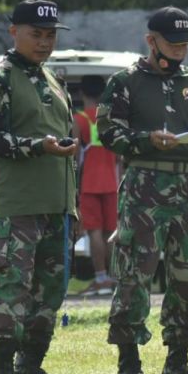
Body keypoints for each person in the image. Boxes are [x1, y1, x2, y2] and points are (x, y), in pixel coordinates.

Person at [97, 5, 188, 374]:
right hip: (144, 185)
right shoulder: (124, 82)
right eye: (172, 44)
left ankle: (178, 359)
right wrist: (146, 140)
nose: (179, 51)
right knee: (134, 273)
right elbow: (107, 133)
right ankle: (128, 362)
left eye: (185, 44)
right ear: (150, 40)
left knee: (187, 273)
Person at [0, 0, 78, 374]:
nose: (44, 42)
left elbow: (69, 147)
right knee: (14, 285)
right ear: (13, 32)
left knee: (51, 288)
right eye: (36, 34)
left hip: (58, 203)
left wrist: (74, 204)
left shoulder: (54, 79)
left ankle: (31, 364)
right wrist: (39, 146)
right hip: (20, 204)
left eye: (50, 35)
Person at [73, 75, 119, 296]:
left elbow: (73, 157)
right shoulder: (110, 119)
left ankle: (100, 278)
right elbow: (120, 155)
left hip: (90, 184)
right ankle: (112, 278)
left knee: (95, 233)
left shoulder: (79, 119)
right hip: (112, 183)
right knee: (111, 232)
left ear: (81, 93)